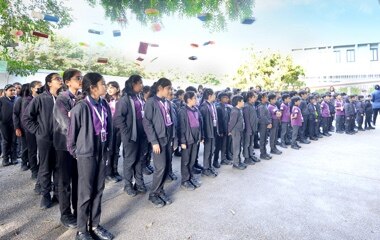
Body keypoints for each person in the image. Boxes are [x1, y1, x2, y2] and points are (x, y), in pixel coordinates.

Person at [67, 72, 114, 240]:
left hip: (102, 152)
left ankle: (94, 225)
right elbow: (71, 136)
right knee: (85, 193)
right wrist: (78, 154)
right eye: (103, 83)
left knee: (99, 190)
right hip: (87, 154)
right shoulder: (81, 107)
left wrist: (108, 149)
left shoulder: (104, 105)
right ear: (93, 88)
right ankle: (81, 230)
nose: (105, 86)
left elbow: (109, 129)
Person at [24, 73, 62, 209]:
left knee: (59, 167)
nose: (60, 81)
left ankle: (57, 194)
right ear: (49, 83)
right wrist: (39, 132)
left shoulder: (64, 98)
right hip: (45, 139)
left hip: (62, 140)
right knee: (45, 167)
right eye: (57, 79)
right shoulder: (40, 99)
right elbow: (27, 118)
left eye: (61, 79)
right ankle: (45, 195)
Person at [53, 69, 82, 229]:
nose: (81, 80)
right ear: (68, 82)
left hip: (78, 146)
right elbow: (65, 124)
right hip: (64, 146)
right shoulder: (62, 99)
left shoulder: (81, 98)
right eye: (77, 78)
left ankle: (78, 210)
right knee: (64, 181)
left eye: (82, 77)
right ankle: (65, 214)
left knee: (78, 179)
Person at [143, 78, 175, 207]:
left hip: (167, 138)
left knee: (166, 166)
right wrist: (154, 141)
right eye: (169, 88)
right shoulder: (151, 102)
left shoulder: (166, 102)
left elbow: (171, 121)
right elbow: (147, 122)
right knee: (160, 167)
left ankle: (160, 190)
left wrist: (173, 139)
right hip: (158, 140)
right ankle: (153, 194)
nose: (170, 91)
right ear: (161, 88)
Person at [114, 75, 148, 197]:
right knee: (130, 161)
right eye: (140, 83)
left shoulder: (139, 98)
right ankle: (128, 185)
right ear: (133, 84)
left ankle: (139, 183)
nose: (142, 85)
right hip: (131, 137)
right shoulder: (125, 100)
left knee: (139, 160)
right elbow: (118, 118)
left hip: (141, 135)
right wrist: (127, 133)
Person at [178, 91, 203, 191]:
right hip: (187, 139)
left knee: (192, 160)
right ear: (189, 100)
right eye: (195, 98)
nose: (196, 100)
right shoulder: (183, 111)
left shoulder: (196, 109)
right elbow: (181, 128)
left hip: (195, 138)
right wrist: (182, 141)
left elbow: (200, 124)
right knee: (186, 161)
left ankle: (190, 178)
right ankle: (185, 180)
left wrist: (201, 136)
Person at [21, 81, 42, 181]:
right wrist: (34, 129)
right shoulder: (27, 100)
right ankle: (34, 170)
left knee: (42, 152)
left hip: (41, 130)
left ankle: (40, 168)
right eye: (39, 87)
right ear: (32, 88)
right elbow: (25, 118)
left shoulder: (42, 99)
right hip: (31, 130)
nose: (41, 88)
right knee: (32, 150)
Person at [105, 81, 122, 183]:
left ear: (117, 88)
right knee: (110, 150)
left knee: (116, 150)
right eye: (108, 88)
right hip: (109, 128)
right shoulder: (105, 100)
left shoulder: (121, 100)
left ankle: (115, 170)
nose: (109, 90)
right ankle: (108, 172)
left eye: (112, 87)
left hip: (118, 127)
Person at [199, 88, 219, 178]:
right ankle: (206, 168)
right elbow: (202, 122)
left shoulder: (212, 104)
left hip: (213, 129)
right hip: (207, 132)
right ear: (210, 96)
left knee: (212, 150)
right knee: (207, 151)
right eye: (214, 95)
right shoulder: (204, 106)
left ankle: (209, 166)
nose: (215, 96)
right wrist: (202, 135)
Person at [0, 84, 18, 166]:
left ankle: (14, 158)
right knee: (6, 141)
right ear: (5, 91)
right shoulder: (2, 100)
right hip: (4, 124)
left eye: (14, 90)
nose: (13, 92)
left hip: (15, 124)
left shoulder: (17, 100)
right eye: (11, 90)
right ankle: (5, 159)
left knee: (14, 141)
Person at [14, 84, 30, 171]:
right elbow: (15, 114)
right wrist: (17, 128)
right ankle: (24, 163)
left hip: (31, 128)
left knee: (31, 147)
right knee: (24, 146)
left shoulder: (32, 99)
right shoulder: (20, 100)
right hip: (23, 128)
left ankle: (31, 162)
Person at [228, 95, 246, 170]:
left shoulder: (239, 110)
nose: (243, 102)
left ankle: (239, 161)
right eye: (242, 101)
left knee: (239, 147)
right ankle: (235, 163)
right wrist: (229, 130)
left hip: (239, 131)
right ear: (238, 102)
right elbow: (231, 122)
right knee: (236, 148)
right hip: (236, 131)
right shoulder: (235, 111)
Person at [214, 92, 232, 166]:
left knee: (224, 145)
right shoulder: (218, 107)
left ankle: (223, 159)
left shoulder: (225, 107)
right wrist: (221, 131)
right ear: (221, 98)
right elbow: (219, 121)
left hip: (225, 130)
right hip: (220, 131)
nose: (227, 99)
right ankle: (215, 161)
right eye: (225, 98)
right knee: (218, 147)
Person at [242, 91, 259, 164]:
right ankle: (246, 157)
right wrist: (249, 129)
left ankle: (251, 155)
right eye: (254, 97)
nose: (255, 98)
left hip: (253, 128)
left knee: (251, 143)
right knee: (247, 143)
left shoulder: (252, 105)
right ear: (249, 98)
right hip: (248, 129)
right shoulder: (246, 106)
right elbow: (246, 120)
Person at [141, 85, 154, 175]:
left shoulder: (150, 102)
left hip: (149, 130)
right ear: (145, 93)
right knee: (144, 150)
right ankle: (143, 166)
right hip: (143, 130)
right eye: (149, 92)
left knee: (149, 149)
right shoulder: (141, 102)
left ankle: (147, 163)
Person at [257, 92, 272, 160]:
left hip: (266, 124)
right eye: (266, 97)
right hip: (263, 124)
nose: (267, 98)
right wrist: (269, 122)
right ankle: (262, 154)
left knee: (265, 139)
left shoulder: (265, 105)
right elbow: (262, 117)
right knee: (262, 140)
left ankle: (265, 152)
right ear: (262, 98)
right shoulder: (261, 106)